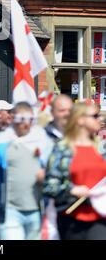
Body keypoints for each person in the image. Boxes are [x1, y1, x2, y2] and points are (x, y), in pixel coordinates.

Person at [0, 102, 53, 240]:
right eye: (21, 119)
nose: (26, 124)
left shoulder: (42, 140)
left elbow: (53, 170)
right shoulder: (0, 142)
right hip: (9, 211)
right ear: (12, 118)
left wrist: (46, 175)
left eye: (30, 119)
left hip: (36, 209)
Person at [43, 102, 106, 240]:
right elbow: (50, 184)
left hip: (100, 216)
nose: (100, 119)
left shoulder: (99, 147)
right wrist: (72, 190)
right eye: (95, 116)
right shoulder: (63, 148)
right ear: (80, 119)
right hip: (73, 217)